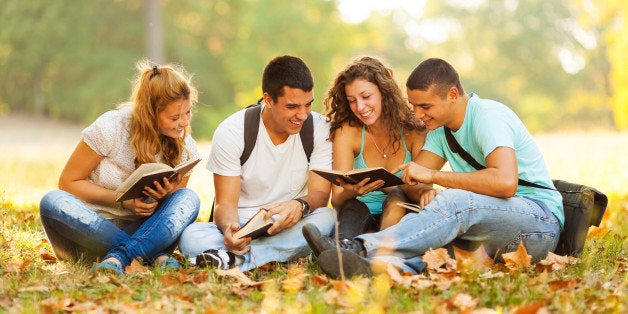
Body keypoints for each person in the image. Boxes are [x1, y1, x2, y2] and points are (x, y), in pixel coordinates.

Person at [303, 57, 564, 278]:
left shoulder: (488, 116)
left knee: (455, 201)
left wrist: (434, 177)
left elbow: (506, 183)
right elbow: (411, 178)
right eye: (414, 105)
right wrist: (421, 190)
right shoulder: (439, 132)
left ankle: (356, 248)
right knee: (432, 237)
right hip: (490, 229)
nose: (417, 115)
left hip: (537, 224)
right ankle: (374, 267)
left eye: (425, 106)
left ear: (452, 95)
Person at [39, 60, 201, 275]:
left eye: (187, 113)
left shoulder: (185, 144)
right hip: (88, 230)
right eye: (174, 117)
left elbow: (171, 212)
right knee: (52, 201)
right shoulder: (111, 127)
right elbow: (68, 182)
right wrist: (122, 200)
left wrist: (163, 196)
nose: (183, 123)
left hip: (145, 229)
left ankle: (119, 257)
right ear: (150, 113)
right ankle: (149, 256)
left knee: (188, 198)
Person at [178, 55, 336, 270]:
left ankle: (232, 259)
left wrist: (300, 205)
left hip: (291, 223)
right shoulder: (232, 131)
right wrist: (230, 231)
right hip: (243, 224)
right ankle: (270, 252)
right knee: (190, 237)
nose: (303, 114)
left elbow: (319, 195)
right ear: (269, 100)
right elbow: (225, 205)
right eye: (292, 107)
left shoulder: (320, 128)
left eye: (308, 104)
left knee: (327, 217)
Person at [322, 56, 428, 239]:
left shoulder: (414, 131)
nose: (360, 107)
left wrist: (387, 185)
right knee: (352, 207)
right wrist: (350, 192)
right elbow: (337, 201)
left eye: (366, 96)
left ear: (384, 93)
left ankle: (380, 250)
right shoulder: (347, 131)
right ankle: (342, 250)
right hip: (360, 215)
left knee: (396, 197)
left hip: (402, 216)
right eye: (352, 100)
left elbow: (424, 192)